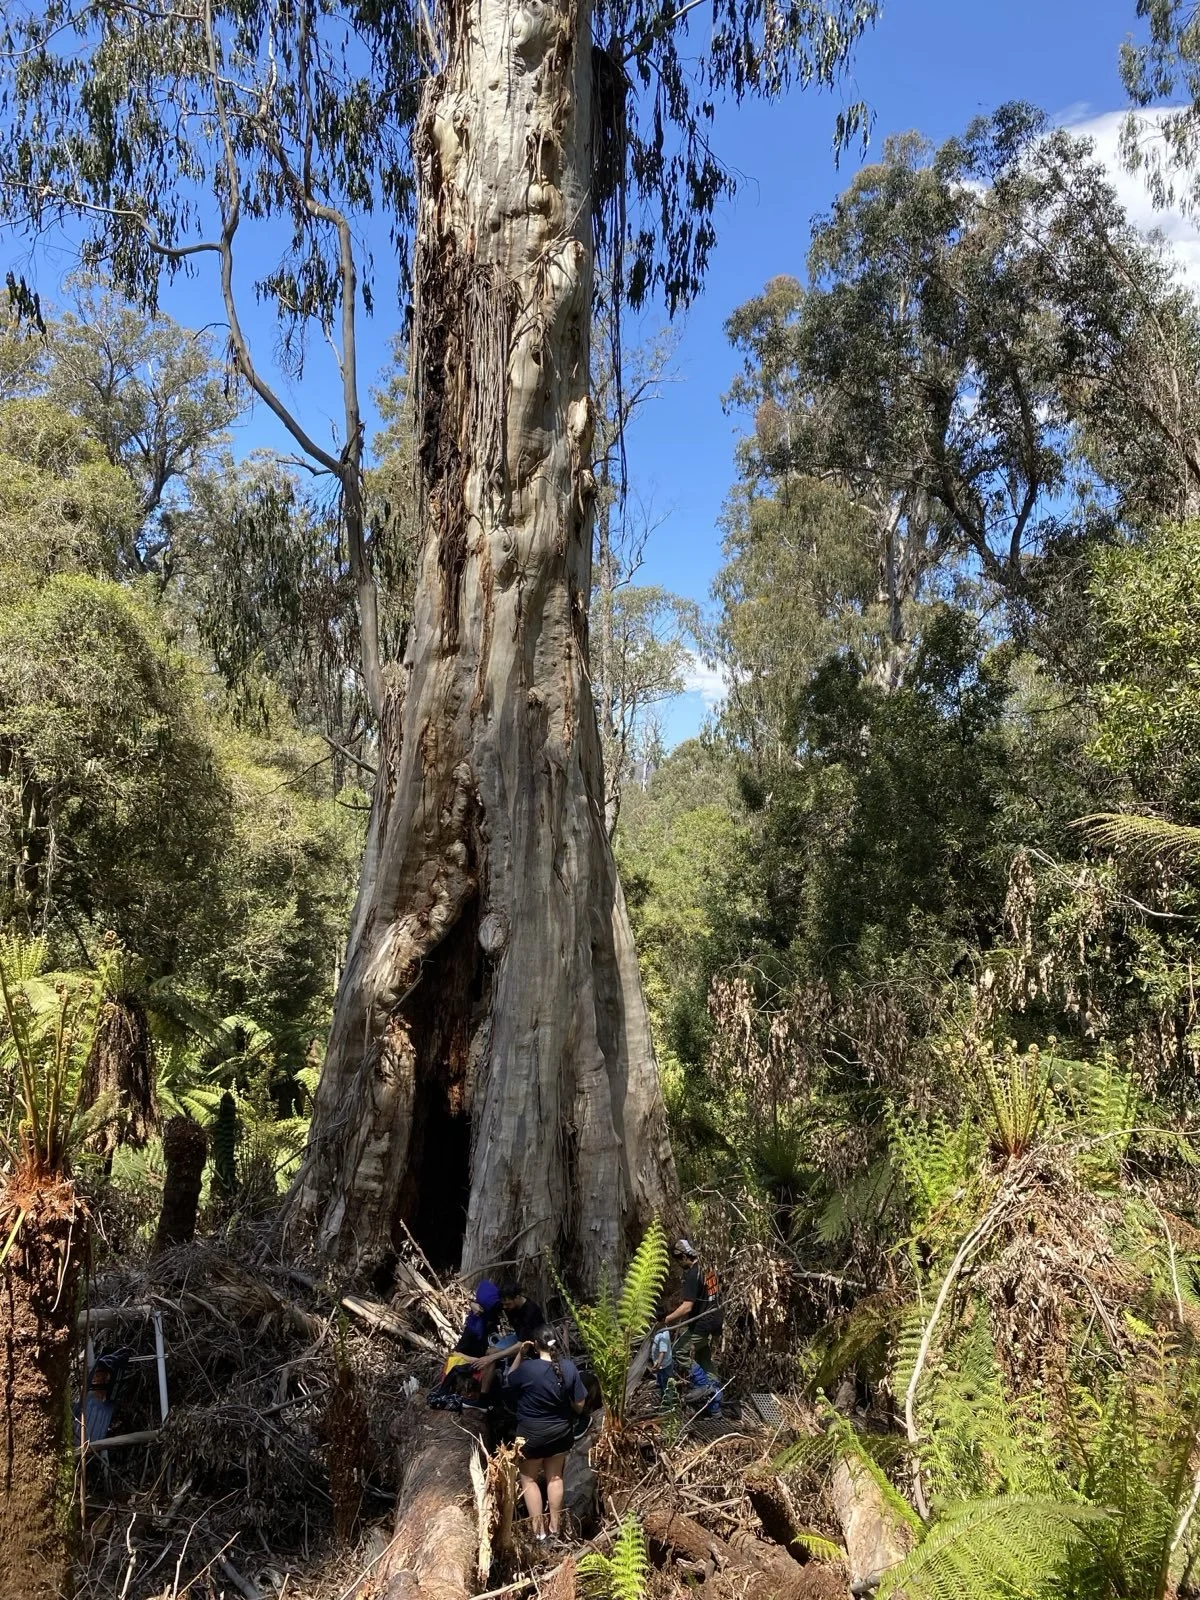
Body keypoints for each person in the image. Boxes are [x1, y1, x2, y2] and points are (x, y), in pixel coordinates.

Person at [501, 1325, 587, 1544]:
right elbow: (579, 1405)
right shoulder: (568, 1368)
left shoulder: (527, 1369)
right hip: (560, 1433)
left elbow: (509, 1380)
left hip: (531, 1435)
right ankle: (556, 1528)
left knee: (529, 1480)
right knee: (555, 1477)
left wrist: (520, 1354)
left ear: (535, 1345)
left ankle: (539, 1532)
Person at [663, 1238, 723, 1376]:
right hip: (716, 1318)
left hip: (703, 1323)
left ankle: (702, 1383)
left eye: (678, 1260)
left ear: (684, 1257)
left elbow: (687, 1307)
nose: (679, 1264)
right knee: (703, 1358)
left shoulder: (692, 1274)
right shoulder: (707, 1268)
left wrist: (667, 1319)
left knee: (679, 1351)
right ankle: (715, 1390)